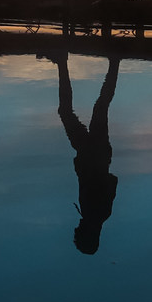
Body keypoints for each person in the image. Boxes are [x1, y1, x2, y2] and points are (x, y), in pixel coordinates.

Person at [45, 50, 121, 255]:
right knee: (84, 109)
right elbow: (107, 181)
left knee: (98, 107)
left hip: (97, 154)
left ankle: (113, 62)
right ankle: (64, 62)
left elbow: (113, 181)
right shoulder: (92, 212)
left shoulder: (101, 215)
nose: (75, 229)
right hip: (90, 154)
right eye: (78, 233)